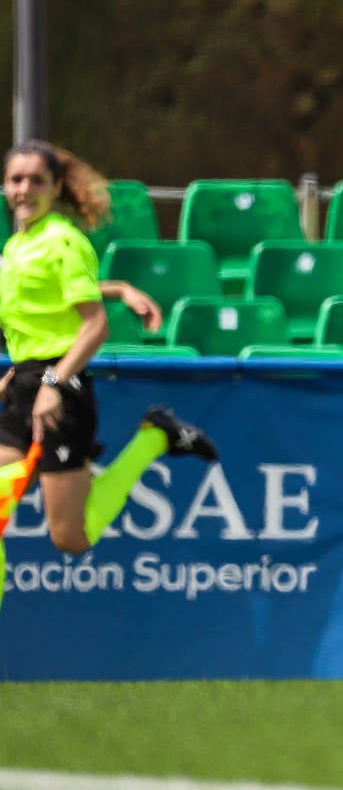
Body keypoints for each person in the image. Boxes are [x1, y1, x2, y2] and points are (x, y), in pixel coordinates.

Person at [0, 140, 219, 570]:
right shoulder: (17, 246)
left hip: (60, 388)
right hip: (26, 382)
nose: (25, 189)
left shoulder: (64, 241)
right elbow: (50, 299)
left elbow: (95, 325)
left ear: (56, 186)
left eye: (37, 180)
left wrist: (51, 383)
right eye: (16, 179)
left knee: (71, 537)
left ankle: (155, 437)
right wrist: (117, 288)